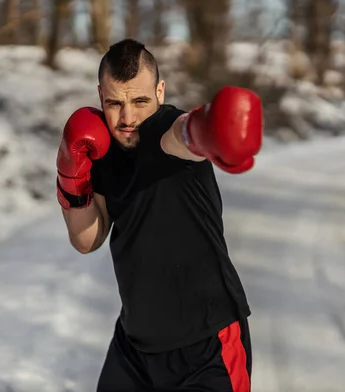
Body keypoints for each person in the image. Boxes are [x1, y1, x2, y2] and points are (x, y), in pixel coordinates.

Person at [55, 38, 262, 392]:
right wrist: (70, 177)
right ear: (100, 95)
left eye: (140, 100)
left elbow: (182, 135)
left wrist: (209, 129)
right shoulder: (102, 150)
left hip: (206, 346)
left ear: (160, 91)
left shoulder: (166, 130)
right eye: (114, 103)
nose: (128, 118)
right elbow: (87, 239)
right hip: (135, 347)